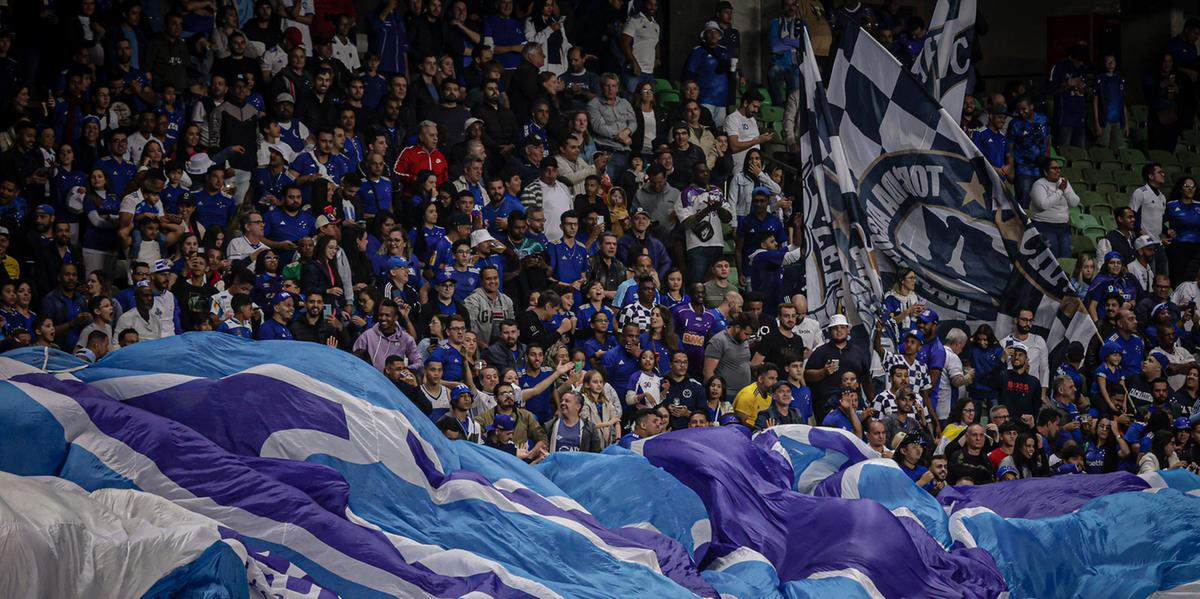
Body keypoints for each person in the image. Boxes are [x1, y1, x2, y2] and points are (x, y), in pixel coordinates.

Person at [1028, 157, 1079, 258]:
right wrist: (1060, 191)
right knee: (1052, 257)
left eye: (1059, 168)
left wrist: (1066, 190)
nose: (1058, 170)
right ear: (1045, 172)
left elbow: (1074, 203)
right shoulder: (1039, 184)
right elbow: (1043, 205)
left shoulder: (1063, 182)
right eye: (1054, 168)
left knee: (1066, 257)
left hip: (1063, 227)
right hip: (1044, 226)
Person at [703, 313, 754, 400]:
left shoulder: (743, 340)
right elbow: (707, 372)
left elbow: (741, 362)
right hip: (727, 395)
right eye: (746, 334)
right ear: (737, 328)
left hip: (744, 394)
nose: (748, 338)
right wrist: (718, 395)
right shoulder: (718, 341)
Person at [1166, 176, 1200, 282]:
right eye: (1187, 186)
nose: (1190, 189)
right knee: (1178, 278)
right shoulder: (1171, 205)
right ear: (1181, 189)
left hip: (1197, 248)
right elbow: (1157, 221)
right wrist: (1165, 230)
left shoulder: (1199, 205)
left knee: (1192, 278)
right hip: (1178, 247)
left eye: (1193, 187)